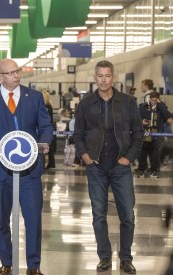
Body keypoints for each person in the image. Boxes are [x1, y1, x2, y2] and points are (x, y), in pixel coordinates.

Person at [0, 58, 53, 275]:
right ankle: (6, 263)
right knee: (1, 220)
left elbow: (45, 125)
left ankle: (33, 267)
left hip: (30, 170)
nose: (16, 75)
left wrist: (44, 143)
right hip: (0, 170)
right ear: (0, 77)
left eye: (17, 71)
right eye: (10, 73)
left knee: (33, 218)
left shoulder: (34, 97)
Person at [73, 60, 143, 274]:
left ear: (113, 78)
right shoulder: (85, 103)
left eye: (107, 76)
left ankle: (126, 258)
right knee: (98, 215)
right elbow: (78, 133)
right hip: (96, 167)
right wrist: (84, 155)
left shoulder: (128, 102)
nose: (104, 80)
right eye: (100, 76)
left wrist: (129, 158)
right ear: (95, 78)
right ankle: (104, 257)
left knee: (128, 216)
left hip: (121, 166)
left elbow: (138, 133)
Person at [136, 91, 172, 178]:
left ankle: (154, 170)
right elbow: (136, 118)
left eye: (155, 100)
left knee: (155, 152)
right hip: (147, 132)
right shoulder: (143, 106)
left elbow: (167, 116)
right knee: (144, 151)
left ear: (158, 100)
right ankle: (141, 169)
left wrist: (160, 104)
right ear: (149, 99)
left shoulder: (161, 108)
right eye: (152, 100)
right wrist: (142, 122)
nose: (153, 102)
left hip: (157, 133)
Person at [42, 90, 55, 169]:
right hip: (50, 128)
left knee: (48, 147)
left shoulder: (46, 107)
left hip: (47, 129)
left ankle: (50, 163)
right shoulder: (49, 106)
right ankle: (51, 163)